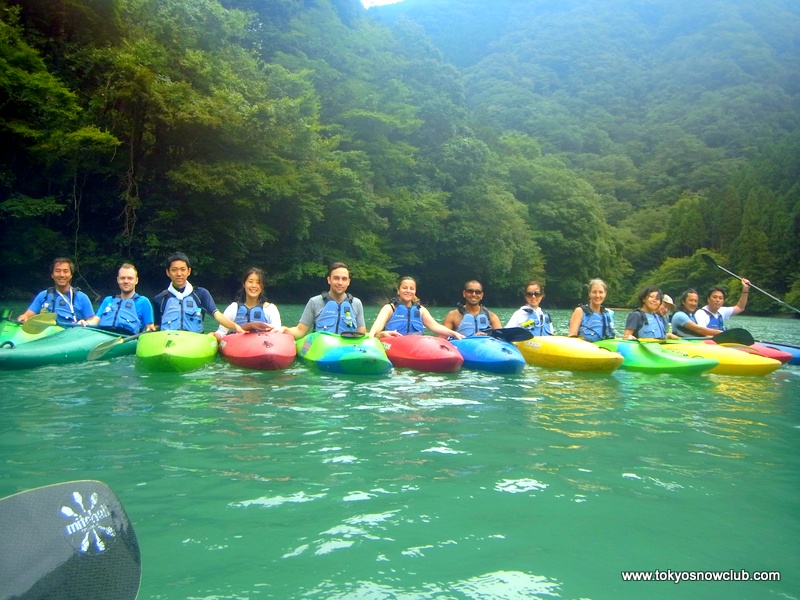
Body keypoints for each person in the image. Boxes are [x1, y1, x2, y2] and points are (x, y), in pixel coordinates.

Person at [152, 252, 244, 334]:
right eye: (174, 270)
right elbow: (157, 325)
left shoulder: (201, 294)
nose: (179, 274)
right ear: (168, 272)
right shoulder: (160, 299)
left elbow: (218, 315)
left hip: (194, 344)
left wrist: (237, 327)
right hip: (168, 343)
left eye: (183, 269)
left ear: (189, 271)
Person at [278, 262, 366, 339]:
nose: (340, 283)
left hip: (347, 350)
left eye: (344, 279)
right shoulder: (314, 302)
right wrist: (285, 329)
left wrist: (377, 335)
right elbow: (300, 331)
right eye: (336, 278)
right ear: (329, 280)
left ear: (348, 282)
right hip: (323, 352)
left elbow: (362, 334)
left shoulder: (356, 303)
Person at [369, 276, 463, 340]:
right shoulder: (389, 308)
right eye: (405, 288)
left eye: (412, 288)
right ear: (398, 291)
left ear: (415, 291)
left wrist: (454, 333)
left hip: (415, 343)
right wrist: (371, 336)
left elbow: (435, 326)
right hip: (394, 342)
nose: (408, 291)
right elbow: (378, 325)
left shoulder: (421, 310)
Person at [79, 263, 155, 334]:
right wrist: (85, 323)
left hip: (128, 340)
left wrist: (150, 328)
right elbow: (95, 321)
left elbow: (149, 327)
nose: (126, 281)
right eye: (122, 278)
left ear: (136, 281)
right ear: (118, 280)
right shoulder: (108, 300)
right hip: (105, 337)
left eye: (130, 278)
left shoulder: (143, 302)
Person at [17, 257, 95, 326]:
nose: (61, 275)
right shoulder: (43, 295)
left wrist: (85, 323)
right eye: (58, 271)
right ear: (52, 274)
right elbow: (27, 315)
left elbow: (92, 320)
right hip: (47, 335)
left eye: (65, 271)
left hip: (71, 335)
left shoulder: (82, 298)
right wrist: (23, 317)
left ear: (71, 275)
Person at [215, 267, 281, 337]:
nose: (254, 286)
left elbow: (277, 333)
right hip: (237, 345)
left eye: (258, 282)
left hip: (262, 345)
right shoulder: (234, 308)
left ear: (262, 286)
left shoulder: (270, 309)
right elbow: (221, 332)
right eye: (250, 281)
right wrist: (214, 336)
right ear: (244, 284)